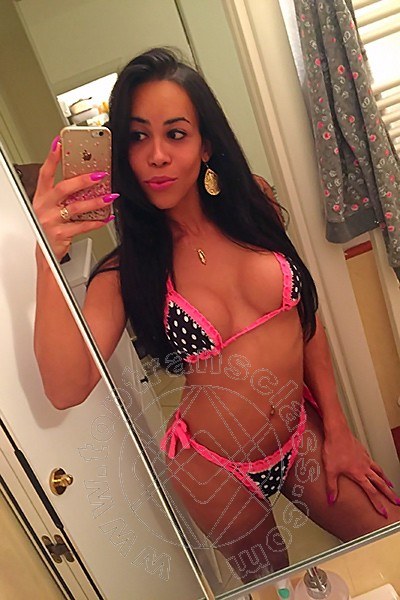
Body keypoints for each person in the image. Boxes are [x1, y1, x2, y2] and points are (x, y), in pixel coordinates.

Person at [33, 48, 400, 584]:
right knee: (275, 589)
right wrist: (47, 253)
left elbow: (303, 316)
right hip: (214, 472)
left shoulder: (256, 203)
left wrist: (339, 429)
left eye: (176, 134)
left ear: (205, 144)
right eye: (137, 137)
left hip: (302, 435)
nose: (157, 155)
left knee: (389, 538)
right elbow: (65, 388)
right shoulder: (125, 273)